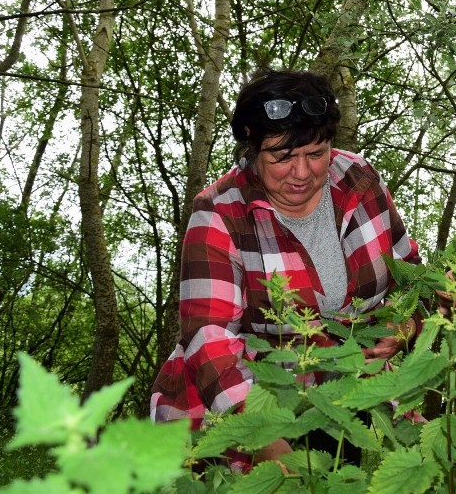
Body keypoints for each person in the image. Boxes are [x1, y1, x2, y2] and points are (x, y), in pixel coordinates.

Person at [151, 68, 422, 469]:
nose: (302, 172)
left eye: (316, 153)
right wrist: (271, 448)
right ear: (251, 149)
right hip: (240, 412)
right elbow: (209, 340)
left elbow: (411, 277)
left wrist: (405, 327)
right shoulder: (220, 212)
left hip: (341, 403)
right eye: (282, 157)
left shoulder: (359, 181)